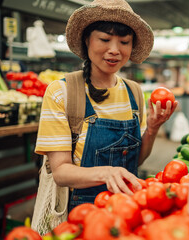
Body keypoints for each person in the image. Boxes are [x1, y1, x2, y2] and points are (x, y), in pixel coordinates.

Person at [34, 0, 178, 211]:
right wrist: (107, 172)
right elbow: (61, 173)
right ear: (87, 40)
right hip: (81, 215)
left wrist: (154, 129)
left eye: (124, 42)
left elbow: (134, 161)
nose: (114, 50)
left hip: (128, 211)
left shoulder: (134, 92)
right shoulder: (62, 92)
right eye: (104, 39)